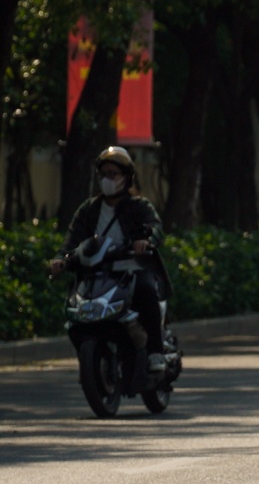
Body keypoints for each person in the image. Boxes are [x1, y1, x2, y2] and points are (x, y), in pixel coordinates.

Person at [45, 147, 171, 372]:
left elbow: (156, 227)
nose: (108, 179)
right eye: (104, 174)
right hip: (95, 274)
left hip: (130, 270)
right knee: (75, 317)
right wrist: (60, 259)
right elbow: (71, 241)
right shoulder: (88, 209)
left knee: (146, 292)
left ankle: (155, 352)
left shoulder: (139, 206)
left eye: (113, 174)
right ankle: (94, 363)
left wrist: (146, 240)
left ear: (127, 177)